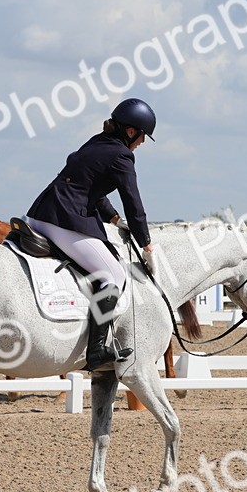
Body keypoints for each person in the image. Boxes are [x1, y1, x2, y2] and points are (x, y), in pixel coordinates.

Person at [25, 97, 155, 370]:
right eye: (142, 136)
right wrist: (147, 244)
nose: (142, 143)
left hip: (40, 213)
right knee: (113, 275)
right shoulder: (122, 155)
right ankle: (96, 350)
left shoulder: (96, 142)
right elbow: (134, 202)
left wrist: (113, 218)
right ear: (131, 131)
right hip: (63, 220)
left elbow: (91, 188)